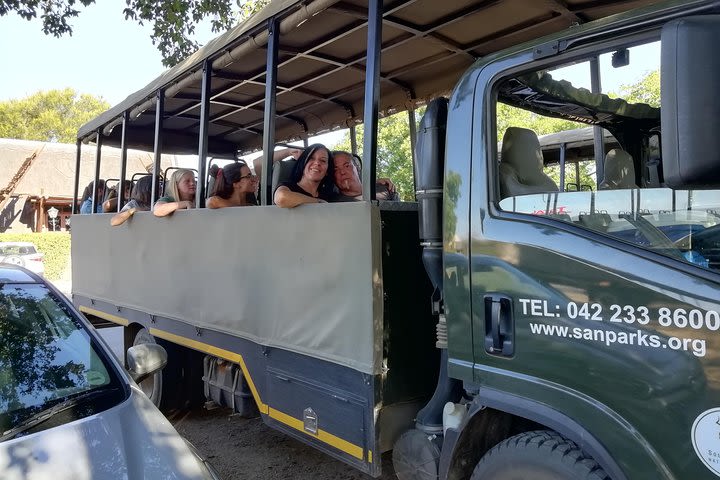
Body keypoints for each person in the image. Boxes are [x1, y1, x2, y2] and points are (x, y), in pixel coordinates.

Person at [274, 144, 336, 208]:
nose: (317, 163)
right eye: (311, 158)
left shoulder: (330, 195)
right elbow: (281, 198)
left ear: (327, 171)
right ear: (303, 163)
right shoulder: (288, 187)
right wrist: (319, 202)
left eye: (323, 160)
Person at [332, 151, 399, 201]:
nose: (342, 172)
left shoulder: (384, 189)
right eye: (336, 170)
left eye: (347, 166)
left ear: (357, 167)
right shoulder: (333, 204)